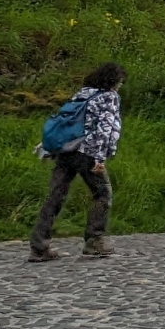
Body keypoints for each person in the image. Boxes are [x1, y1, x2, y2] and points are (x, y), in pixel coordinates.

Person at [30, 62, 125, 261]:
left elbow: (64, 122)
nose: (121, 84)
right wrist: (100, 158)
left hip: (66, 151)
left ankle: (39, 247)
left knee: (55, 196)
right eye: (120, 80)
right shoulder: (109, 97)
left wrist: (49, 148)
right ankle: (94, 240)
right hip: (87, 153)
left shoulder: (82, 94)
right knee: (102, 193)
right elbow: (106, 128)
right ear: (114, 80)